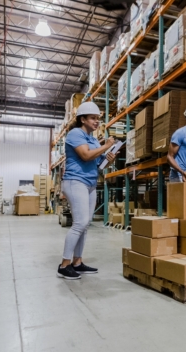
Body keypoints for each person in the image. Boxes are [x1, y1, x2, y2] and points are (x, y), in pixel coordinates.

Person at [57, 102, 117, 280]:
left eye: (98, 118)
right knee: (80, 223)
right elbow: (85, 155)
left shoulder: (92, 139)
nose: (97, 121)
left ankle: (77, 262)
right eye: (93, 118)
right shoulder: (76, 134)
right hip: (75, 181)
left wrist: (109, 159)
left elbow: (97, 164)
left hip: (90, 183)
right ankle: (64, 265)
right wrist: (106, 146)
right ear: (82, 119)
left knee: (85, 225)